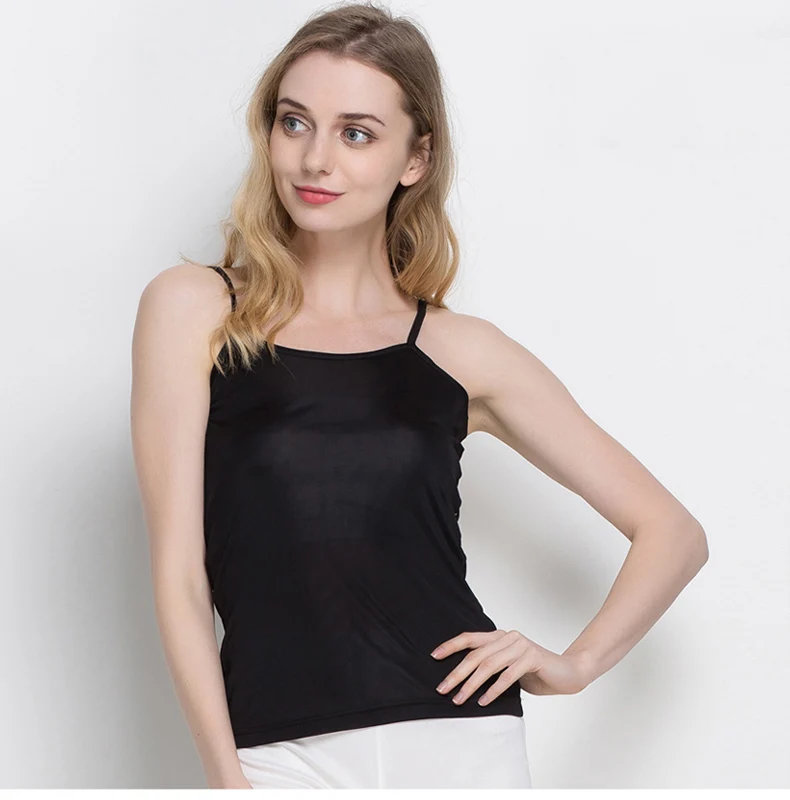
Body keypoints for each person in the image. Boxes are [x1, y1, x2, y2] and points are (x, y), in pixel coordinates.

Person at [130, 2, 709, 790]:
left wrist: (574, 664)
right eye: (295, 123)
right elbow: (180, 574)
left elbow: (673, 532)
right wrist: (227, 780)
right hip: (278, 752)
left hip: (460, 742)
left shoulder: (460, 350)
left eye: (357, 133)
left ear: (416, 157)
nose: (315, 159)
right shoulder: (195, 308)